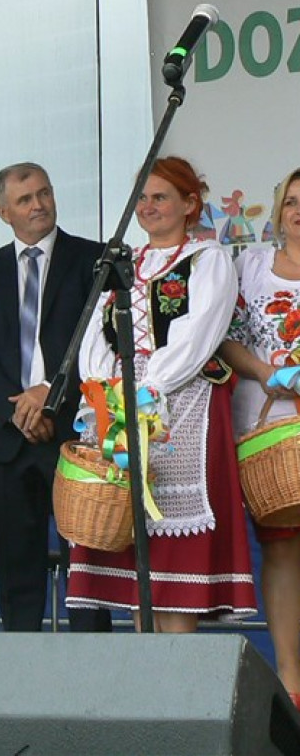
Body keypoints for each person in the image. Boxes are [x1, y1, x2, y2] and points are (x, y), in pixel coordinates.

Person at [67, 156, 256, 630]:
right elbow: (95, 332)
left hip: (182, 409)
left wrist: (146, 388)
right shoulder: (123, 264)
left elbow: (200, 333)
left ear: (190, 204)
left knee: (173, 560)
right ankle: (148, 689)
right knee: (135, 556)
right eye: (143, 198)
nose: (149, 207)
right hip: (119, 404)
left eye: (161, 197)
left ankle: (179, 691)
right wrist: (106, 386)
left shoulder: (206, 259)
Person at [0, 162, 111, 633]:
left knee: (84, 562)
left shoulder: (93, 259)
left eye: (44, 193)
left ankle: (92, 671)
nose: (39, 204)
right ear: (4, 212)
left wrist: (50, 397)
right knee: (17, 564)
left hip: (72, 431)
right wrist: (20, 409)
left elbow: (96, 340)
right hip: (11, 436)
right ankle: (22, 673)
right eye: (25, 199)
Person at [221, 167, 300, 702]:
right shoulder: (250, 265)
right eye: (292, 201)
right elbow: (224, 338)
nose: (299, 209)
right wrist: (266, 372)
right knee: (283, 550)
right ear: (278, 211)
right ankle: (291, 678)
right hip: (266, 427)